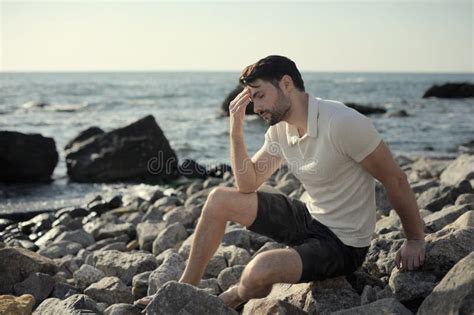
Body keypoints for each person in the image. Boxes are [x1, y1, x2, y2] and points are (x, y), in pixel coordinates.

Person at [136, 55, 426, 310]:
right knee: (219, 199)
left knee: (260, 268)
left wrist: (414, 240)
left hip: (344, 244)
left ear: (286, 84)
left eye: (259, 95)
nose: (256, 107)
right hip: (309, 219)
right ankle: (183, 288)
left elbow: (394, 178)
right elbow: (248, 184)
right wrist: (235, 129)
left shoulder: (342, 123)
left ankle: (232, 297)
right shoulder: (279, 131)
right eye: (251, 98)